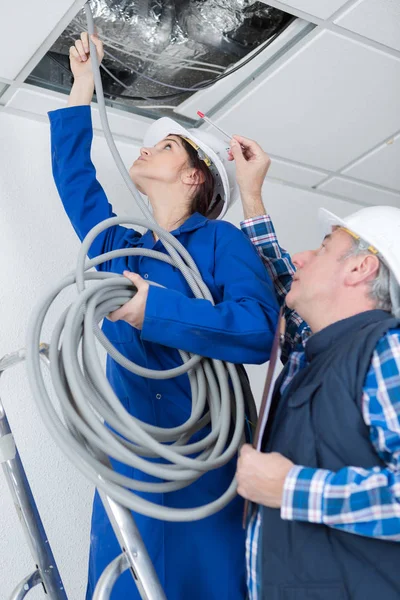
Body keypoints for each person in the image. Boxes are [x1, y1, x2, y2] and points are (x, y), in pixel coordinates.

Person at [48, 33, 279, 600]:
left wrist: (155, 308)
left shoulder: (222, 242)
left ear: (195, 174)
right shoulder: (122, 247)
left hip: (205, 468)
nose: (147, 150)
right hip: (129, 468)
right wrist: (82, 83)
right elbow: (75, 181)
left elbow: (256, 328)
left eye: (167, 146)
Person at [229, 135, 400, 599]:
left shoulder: (388, 351)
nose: (301, 257)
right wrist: (251, 194)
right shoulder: (315, 356)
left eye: (323, 248)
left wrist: (290, 487)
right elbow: (288, 281)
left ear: (360, 269)